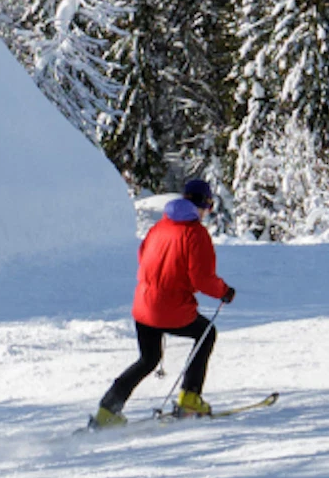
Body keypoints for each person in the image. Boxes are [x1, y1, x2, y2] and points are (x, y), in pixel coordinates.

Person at [89, 175, 237, 428]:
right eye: (208, 207)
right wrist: (224, 291)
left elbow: (143, 256)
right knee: (207, 333)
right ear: (204, 205)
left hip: (143, 306)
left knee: (148, 359)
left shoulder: (159, 227)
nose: (206, 213)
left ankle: (107, 411)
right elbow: (201, 278)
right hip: (170, 309)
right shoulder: (195, 233)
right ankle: (190, 398)